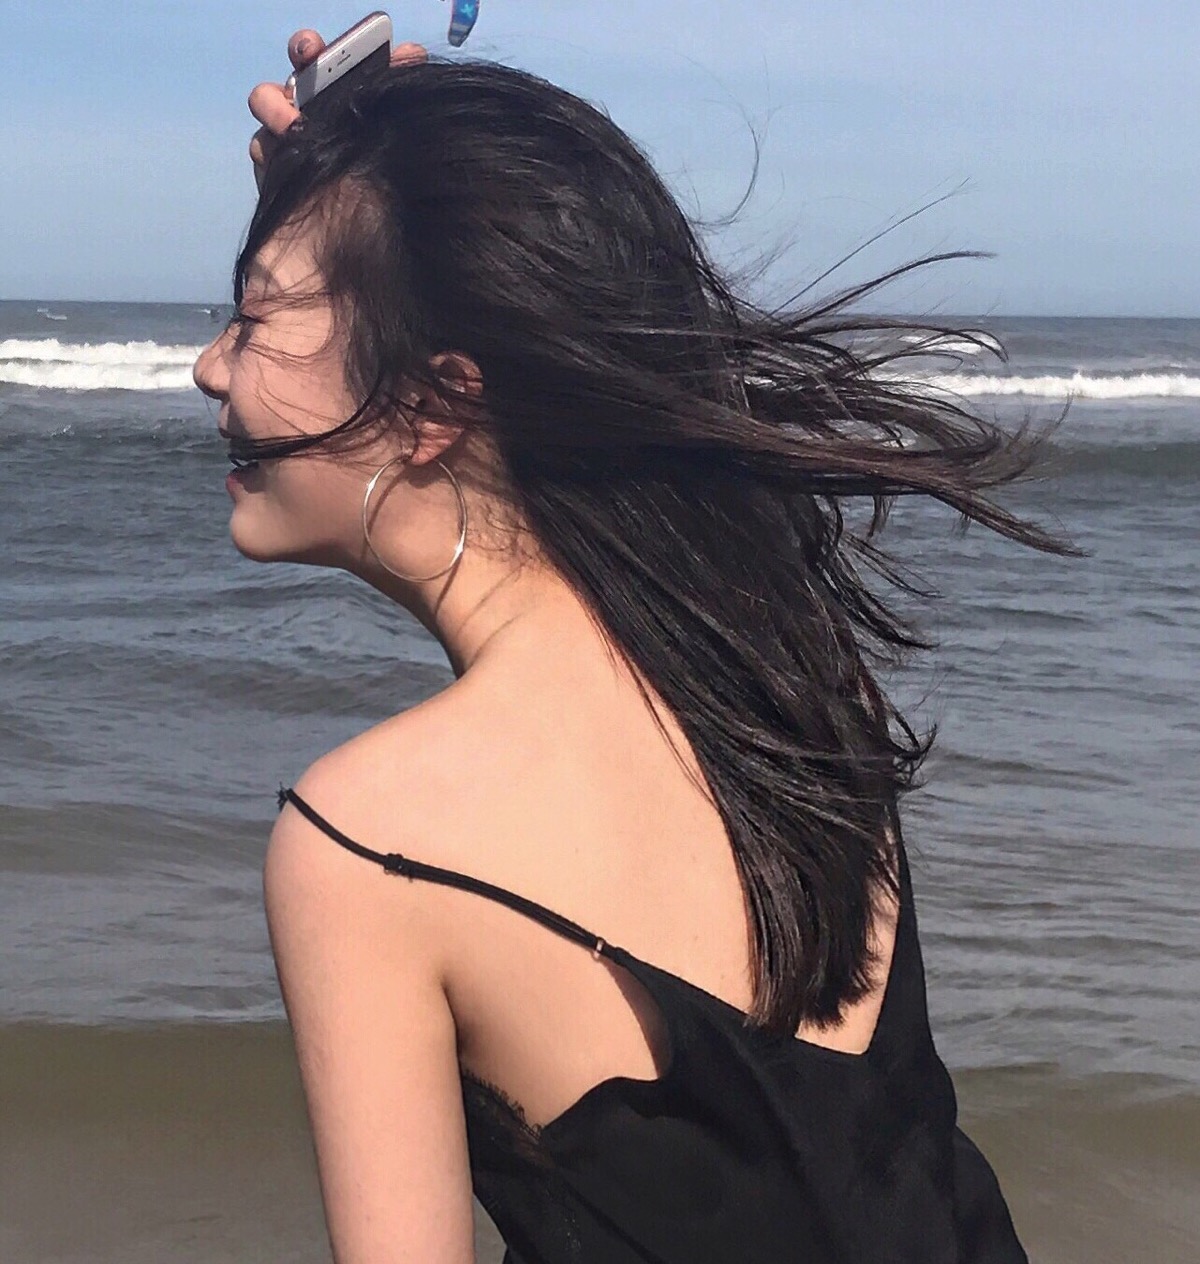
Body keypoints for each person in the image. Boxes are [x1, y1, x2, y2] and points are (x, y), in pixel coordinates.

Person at [194, 26, 1064, 1263]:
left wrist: (374, 204)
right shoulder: (800, 684)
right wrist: (379, 197)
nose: (208, 366)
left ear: (433, 402)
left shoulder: (367, 848)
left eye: (249, 318)